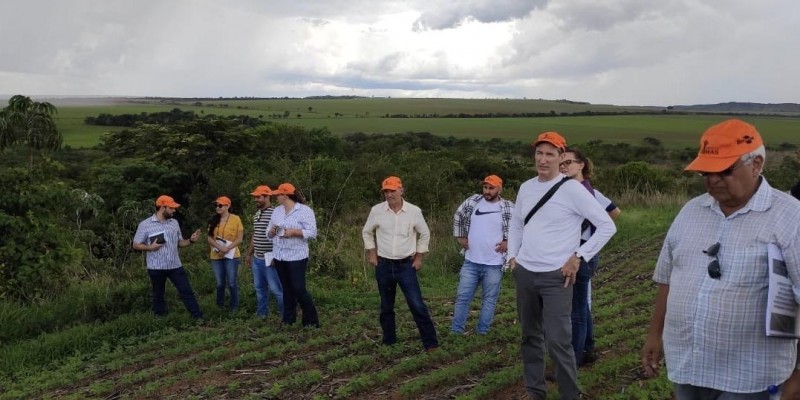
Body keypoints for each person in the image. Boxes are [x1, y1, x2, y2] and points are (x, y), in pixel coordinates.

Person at [640, 119, 800, 399]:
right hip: (689, 365)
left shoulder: (790, 217)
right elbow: (668, 278)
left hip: (751, 376)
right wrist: (655, 334)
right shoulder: (692, 210)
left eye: (724, 171)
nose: (712, 181)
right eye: (706, 172)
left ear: (757, 164)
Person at [507, 132, 616, 400]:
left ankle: (569, 394)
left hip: (556, 277)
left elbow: (607, 225)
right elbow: (517, 224)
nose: (543, 160)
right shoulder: (526, 187)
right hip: (526, 274)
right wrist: (512, 256)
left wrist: (578, 256)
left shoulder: (572, 189)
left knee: (558, 341)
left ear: (561, 158)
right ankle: (535, 392)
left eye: (550, 154)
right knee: (530, 337)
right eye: (539, 154)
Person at [362, 176, 439, 351]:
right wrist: (372, 253)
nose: (389, 195)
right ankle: (389, 341)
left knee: (417, 304)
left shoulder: (414, 211)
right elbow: (367, 232)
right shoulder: (377, 211)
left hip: (406, 266)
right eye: (386, 191)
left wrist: (419, 257)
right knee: (386, 306)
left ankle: (430, 343)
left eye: (392, 191)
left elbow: (425, 234)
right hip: (383, 265)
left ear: (401, 190)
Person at [560, 148, 621, 367]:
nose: (564, 166)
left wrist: (592, 232)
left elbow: (614, 213)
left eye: (568, 162)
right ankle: (587, 348)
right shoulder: (577, 191)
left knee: (576, 309)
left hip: (581, 255)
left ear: (581, 165)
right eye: (562, 163)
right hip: (581, 253)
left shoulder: (587, 192)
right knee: (581, 307)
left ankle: (573, 360)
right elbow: (613, 211)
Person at [451, 174, 514, 335]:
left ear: (499, 189)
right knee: (462, 298)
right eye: (485, 187)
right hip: (471, 261)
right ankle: (456, 331)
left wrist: (508, 241)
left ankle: (483, 332)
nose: (487, 191)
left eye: (491, 188)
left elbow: (518, 228)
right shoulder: (473, 202)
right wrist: (460, 236)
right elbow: (458, 215)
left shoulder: (508, 207)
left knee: (489, 300)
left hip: (494, 263)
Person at [132, 195, 204, 320]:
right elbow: (136, 244)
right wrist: (150, 248)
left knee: (186, 291)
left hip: (175, 265)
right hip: (156, 266)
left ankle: (198, 318)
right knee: (158, 294)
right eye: (171, 208)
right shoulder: (145, 224)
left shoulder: (174, 223)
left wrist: (191, 241)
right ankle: (159, 320)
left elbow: (180, 243)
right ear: (162, 207)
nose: (174, 210)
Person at [266, 183, 320, 328]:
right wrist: (271, 232)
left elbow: (312, 232)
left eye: (278, 195)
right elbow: (269, 231)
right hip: (279, 255)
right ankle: (288, 319)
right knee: (287, 289)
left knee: (299, 288)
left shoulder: (304, 210)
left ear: (285, 195)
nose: (276, 197)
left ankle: (311, 320)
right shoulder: (277, 211)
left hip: (297, 256)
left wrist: (294, 232)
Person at [245, 185, 284, 320]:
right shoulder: (257, 214)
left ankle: (286, 315)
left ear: (267, 197)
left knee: (276, 289)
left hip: (270, 258)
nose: (256, 199)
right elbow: (255, 235)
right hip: (258, 258)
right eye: (255, 197)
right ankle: (262, 315)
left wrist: (276, 256)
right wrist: (249, 254)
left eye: (259, 197)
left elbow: (280, 236)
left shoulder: (275, 213)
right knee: (260, 288)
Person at [206, 196, 244, 312]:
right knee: (219, 283)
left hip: (231, 255)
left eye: (220, 205)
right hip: (216, 256)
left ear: (228, 206)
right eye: (216, 205)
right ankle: (220, 306)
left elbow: (239, 238)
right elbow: (209, 238)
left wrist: (227, 248)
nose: (217, 208)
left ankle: (234, 307)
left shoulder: (236, 219)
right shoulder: (213, 220)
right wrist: (219, 247)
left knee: (232, 282)